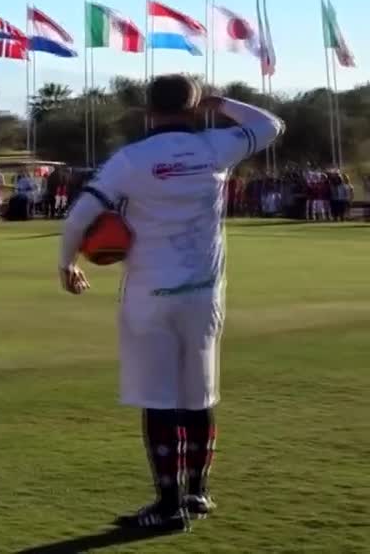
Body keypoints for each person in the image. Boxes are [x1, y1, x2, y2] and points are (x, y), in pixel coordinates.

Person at [57, 75, 285, 532]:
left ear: (148, 112)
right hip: (204, 295)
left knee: (158, 399)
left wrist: (67, 263)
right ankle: (197, 492)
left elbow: (81, 214)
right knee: (197, 395)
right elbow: (271, 124)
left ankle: (167, 504)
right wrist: (219, 104)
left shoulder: (130, 160)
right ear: (194, 106)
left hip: (149, 295)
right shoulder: (216, 148)